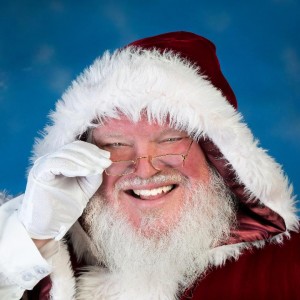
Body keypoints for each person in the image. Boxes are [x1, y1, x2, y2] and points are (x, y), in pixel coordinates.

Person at [0, 31, 299, 300]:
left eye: (170, 140)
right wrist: (30, 239)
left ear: (217, 155)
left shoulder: (290, 263)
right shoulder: (45, 261)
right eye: (115, 145)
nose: (144, 171)